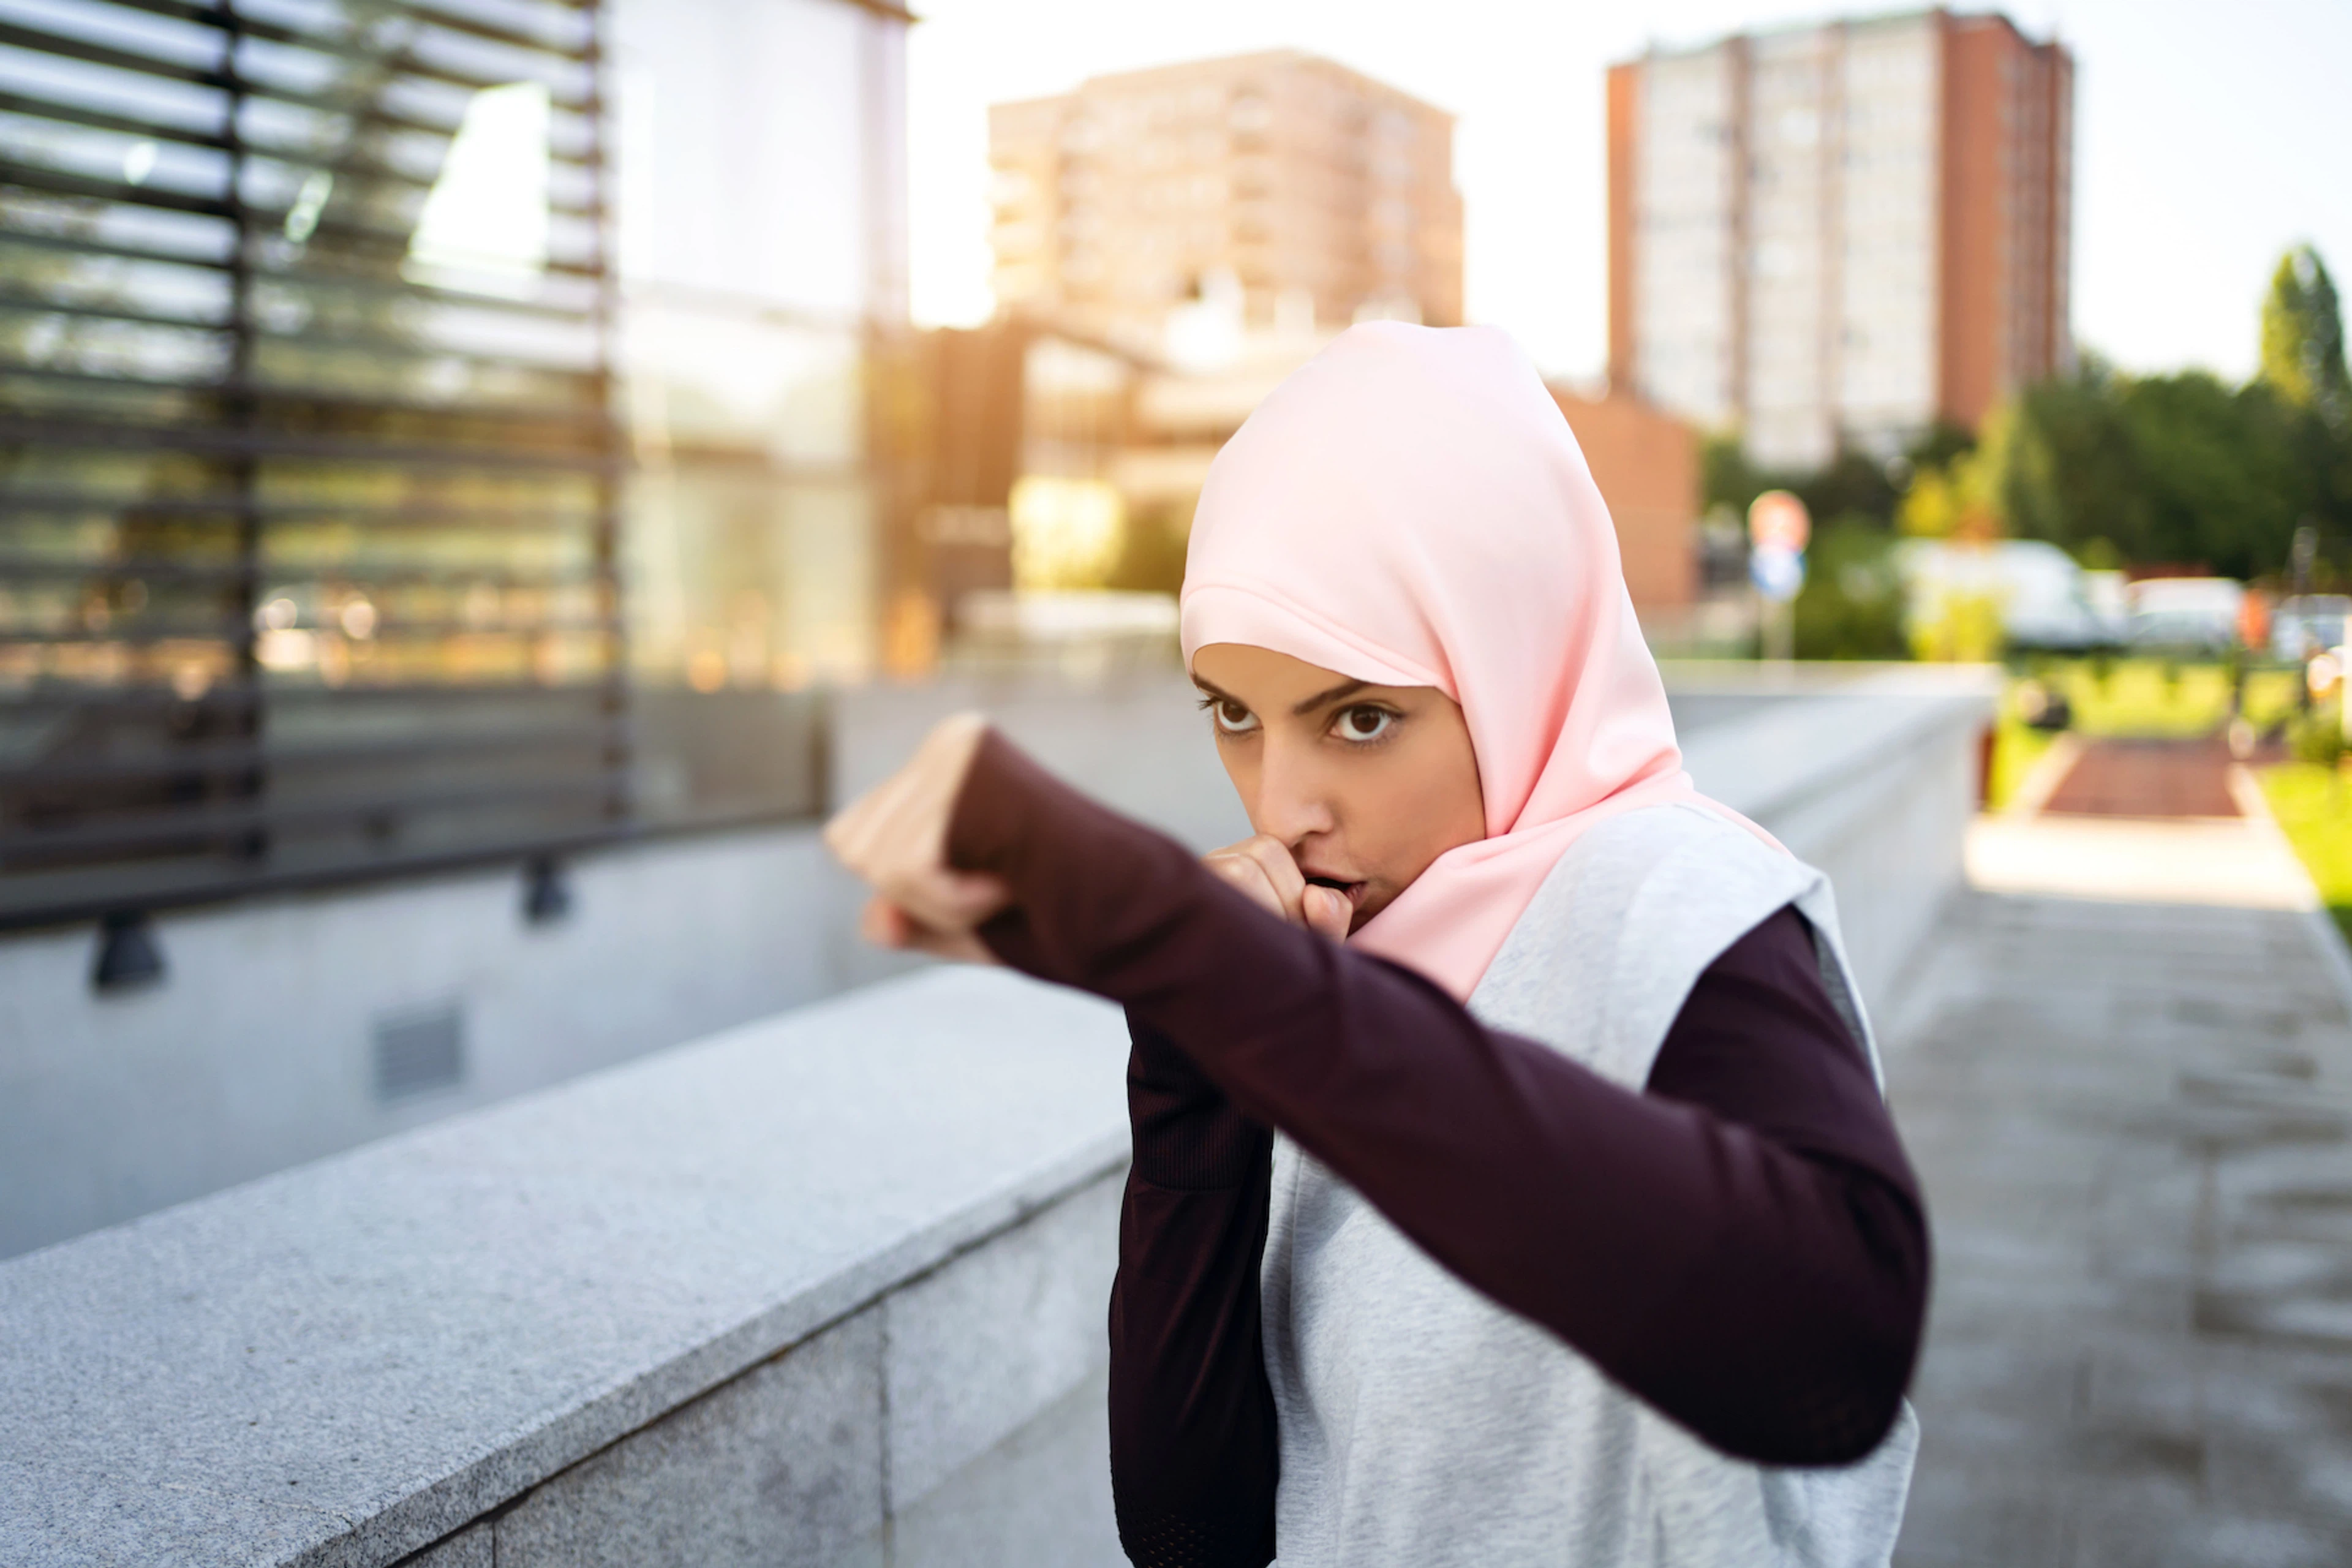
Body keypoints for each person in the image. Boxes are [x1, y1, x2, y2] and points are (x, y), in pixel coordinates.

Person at [826, 323, 1926, 1567]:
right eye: (1234, 714)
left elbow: (1832, 1353)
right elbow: (1199, 1533)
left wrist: (1210, 960)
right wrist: (1191, 1081)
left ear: (1514, 660)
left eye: (1358, 716)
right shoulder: (1350, 957)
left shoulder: (1681, 903)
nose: (1283, 805)